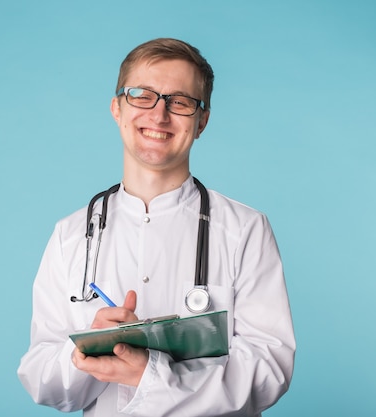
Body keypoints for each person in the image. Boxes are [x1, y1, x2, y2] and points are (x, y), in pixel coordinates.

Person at [17, 38, 295, 417]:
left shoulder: (245, 230)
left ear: (202, 122)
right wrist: (88, 349)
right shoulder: (70, 236)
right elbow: (42, 380)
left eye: (180, 102)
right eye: (141, 95)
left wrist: (152, 376)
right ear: (117, 108)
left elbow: (268, 371)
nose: (159, 114)